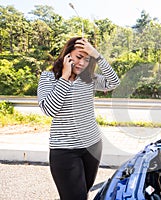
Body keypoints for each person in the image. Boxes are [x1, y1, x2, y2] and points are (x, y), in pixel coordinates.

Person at [37, 37, 120, 200]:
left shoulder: (88, 79)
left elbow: (114, 82)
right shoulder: (48, 78)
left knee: (83, 194)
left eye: (87, 59)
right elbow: (49, 109)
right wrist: (65, 78)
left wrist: (97, 55)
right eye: (78, 57)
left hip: (92, 146)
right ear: (67, 55)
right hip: (65, 150)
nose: (82, 63)